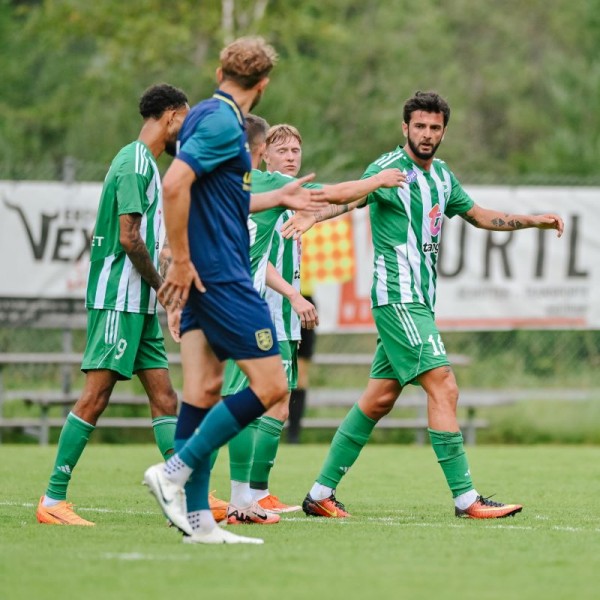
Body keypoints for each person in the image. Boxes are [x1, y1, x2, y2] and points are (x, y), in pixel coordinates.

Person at [291, 91, 564, 520]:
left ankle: (319, 493)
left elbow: (477, 214)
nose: (427, 134)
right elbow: (352, 197)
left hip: (419, 302)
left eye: (435, 128)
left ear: (443, 132)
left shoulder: (441, 177)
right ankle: (466, 499)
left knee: (378, 399)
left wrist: (532, 220)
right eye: (419, 126)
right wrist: (314, 213)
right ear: (405, 128)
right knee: (445, 385)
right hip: (397, 299)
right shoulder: (388, 169)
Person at [142, 37, 324, 545]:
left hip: (205, 274)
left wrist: (277, 194)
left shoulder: (200, 115)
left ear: (220, 69)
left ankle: (199, 521)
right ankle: (175, 471)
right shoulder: (225, 123)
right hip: (223, 276)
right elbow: (177, 184)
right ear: (262, 86)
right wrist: (179, 261)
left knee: (200, 393)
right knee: (271, 389)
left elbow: (218, 191)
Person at [36, 83, 190, 526]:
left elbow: (137, 236)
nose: (188, 128)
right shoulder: (134, 162)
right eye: (186, 118)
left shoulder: (147, 165)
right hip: (118, 301)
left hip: (138, 304)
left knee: (165, 397)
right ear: (171, 116)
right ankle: (52, 500)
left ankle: (184, 493)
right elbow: (127, 237)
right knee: (96, 396)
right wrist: (164, 286)